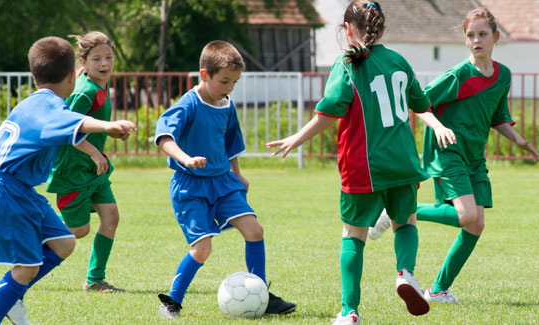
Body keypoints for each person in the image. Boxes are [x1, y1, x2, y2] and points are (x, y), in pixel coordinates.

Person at [266, 2, 456, 324]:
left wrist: (295, 139)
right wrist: (436, 124)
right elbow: (420, 103)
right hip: (404, 163)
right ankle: (406, 274)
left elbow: (329, 113)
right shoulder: (399, 61)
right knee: (406, 223)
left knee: (354, 235)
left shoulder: (347, 64)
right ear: (381, 28)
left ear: (348, 29)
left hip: (364, 167)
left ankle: (349, 311)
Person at [368, 8, 539, 303]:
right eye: (471, 35)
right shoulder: (458, 75)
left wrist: (520, 141)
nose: (477, 40)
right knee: (466, 215)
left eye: (483, 34)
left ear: (496, 37)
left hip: (474, 157)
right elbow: (421, 103)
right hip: (447, 152)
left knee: (476, 225)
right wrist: (439, 127)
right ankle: (397, 211)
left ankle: (438, 290)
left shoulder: (503, 75)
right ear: (465, 40)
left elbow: (498, 117)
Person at [0, 36, 135, 325]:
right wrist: (108, 126)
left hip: (16, 188)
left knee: (63, 242)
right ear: (73, 76)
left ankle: (11, 296)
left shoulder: (36, 102)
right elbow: (76, 122)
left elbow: (67, 126)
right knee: (26, 269)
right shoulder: (50, 107)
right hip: (7, 190)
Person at [153, 40, 296, 319]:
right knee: (202, 248)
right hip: (190, 185)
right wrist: (185, 158)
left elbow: (231, 144)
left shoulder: (226, 104)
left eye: (235, 82)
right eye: (224, 81)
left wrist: (238, 175)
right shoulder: (188, 105)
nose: (229, 88)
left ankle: (262, 296)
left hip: (223, 181)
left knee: (255, 231)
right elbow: (164, 137)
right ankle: (171, 302)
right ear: (204, 75)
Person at [47, 31, 129, 293]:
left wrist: (112, 133)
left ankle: (95, 279)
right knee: (78, 230)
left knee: (111, 217)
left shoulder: (102, 85)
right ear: (84, 62)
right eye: (96, 59)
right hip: (73, 171)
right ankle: (33, 230)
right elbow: (65, 130)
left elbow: (94, 127)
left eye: (108, 57)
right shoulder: (84, 92)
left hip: (94, 169)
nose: (104, 64)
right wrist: (93, 152)